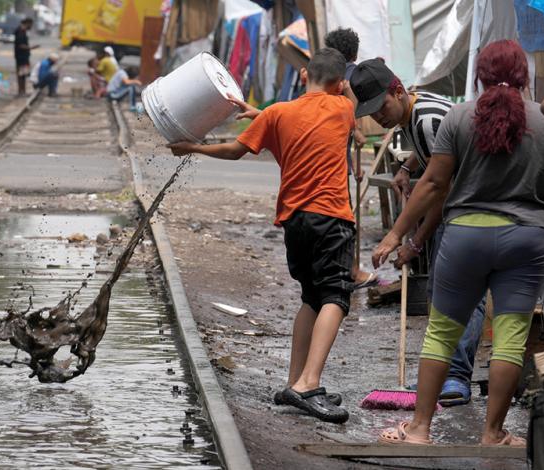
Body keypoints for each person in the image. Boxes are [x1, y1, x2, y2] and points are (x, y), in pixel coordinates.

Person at [372, 40, 544, 447]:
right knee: (510, 336)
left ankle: (418, 430)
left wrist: (398, 233)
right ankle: (493, 433)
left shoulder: (458, 118)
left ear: (478, 76)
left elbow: (433, 183)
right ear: (523, 76)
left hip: (466, 237)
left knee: (440, 333)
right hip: (528, 239)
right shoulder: (543, 123)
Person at [168, 48, 355, 424]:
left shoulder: (276, 114)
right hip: (331, 217)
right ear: (338, 84)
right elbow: (345, 100)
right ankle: (308, 385)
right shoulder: (343, 110)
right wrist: (346, 88)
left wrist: (192, 147)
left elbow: (235, 150)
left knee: (311, 297)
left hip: (294, 220)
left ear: (303, 75)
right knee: (335, 296)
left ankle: (294, 382)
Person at [351, 58, 485, 407]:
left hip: (474, 207)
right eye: (370, 111)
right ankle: (445, 371)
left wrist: (410, 240)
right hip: (459, 203)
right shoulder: (412, 112)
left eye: (381, 107)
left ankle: (456, 376)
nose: (378, 117)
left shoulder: (427, 120)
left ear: (397, 90)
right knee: (444, 290)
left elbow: (441, 191)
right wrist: (407, 167)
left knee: (464, 294)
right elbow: (435, 152)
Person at [325, 27, 376, 290]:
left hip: (325, 155)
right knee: (344, 217)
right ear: (354, 53)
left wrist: (354, 163)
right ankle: (351, 271)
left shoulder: (322, 74)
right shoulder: (351, 75)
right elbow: (347, 115)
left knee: (329, 215)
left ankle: (333, 268)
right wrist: (356, 131)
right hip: (337, 160)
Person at [14, 18, 37, 97]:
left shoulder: (22, 31)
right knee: (21, 75)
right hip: (21, 57)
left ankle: (23, 91)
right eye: (30, 25)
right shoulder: (20, 31)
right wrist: (31, 48)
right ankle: (21, 91)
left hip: (23, 57)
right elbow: (20, 45)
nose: (31, 27)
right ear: (27, 23)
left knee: (23, 75)